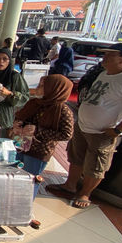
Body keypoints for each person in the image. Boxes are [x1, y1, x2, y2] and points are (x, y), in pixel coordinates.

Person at [48, 43, 122, 209]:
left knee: (96, 165)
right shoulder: (105, 74)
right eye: (105, 54)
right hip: (84, 126)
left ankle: (85, 193)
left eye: (110, 55)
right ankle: (70, 185)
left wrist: (117, 130)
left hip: (103, 132)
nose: (105, 57)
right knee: (76, 157)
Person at [14, 74, 74, 228]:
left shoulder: (62, 110)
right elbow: (20, 115)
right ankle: (10, 207)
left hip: (39, 152)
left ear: (54, 89)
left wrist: (38, 131)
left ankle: (24, 212)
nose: (39, 88)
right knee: (14, 177)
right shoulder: (35, 103)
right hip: (21, 145)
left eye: (43, 85)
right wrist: (19, 125)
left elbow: (66, 134)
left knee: (30, 181)